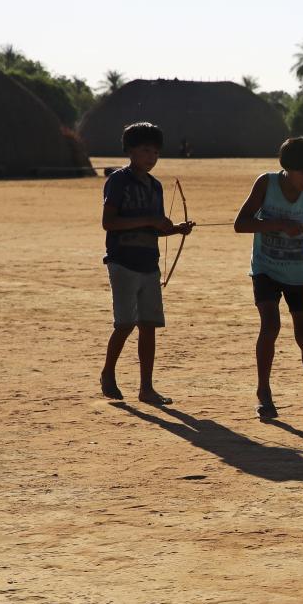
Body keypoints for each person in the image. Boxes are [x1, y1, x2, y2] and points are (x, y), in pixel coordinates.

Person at [234, 137, 303, 420]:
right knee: (270, 326)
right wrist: (279, 224)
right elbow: (240, 224)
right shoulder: (265, 184)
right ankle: (264, 393)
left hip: (298, 274)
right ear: (288, 168)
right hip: (265, 269)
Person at [100, 122, 193, 404]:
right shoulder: (118, 181)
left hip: (148, 262)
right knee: (125, 323)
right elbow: (109, 222)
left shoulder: (155, 186)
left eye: (155, 152)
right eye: (145, 151)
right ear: (130, 151)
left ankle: (146, 388)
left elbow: (157, 227)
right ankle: (108, 373)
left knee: (149, 325)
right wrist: (150, 220)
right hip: (123, 261)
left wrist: (176, 229)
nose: (151, 157)